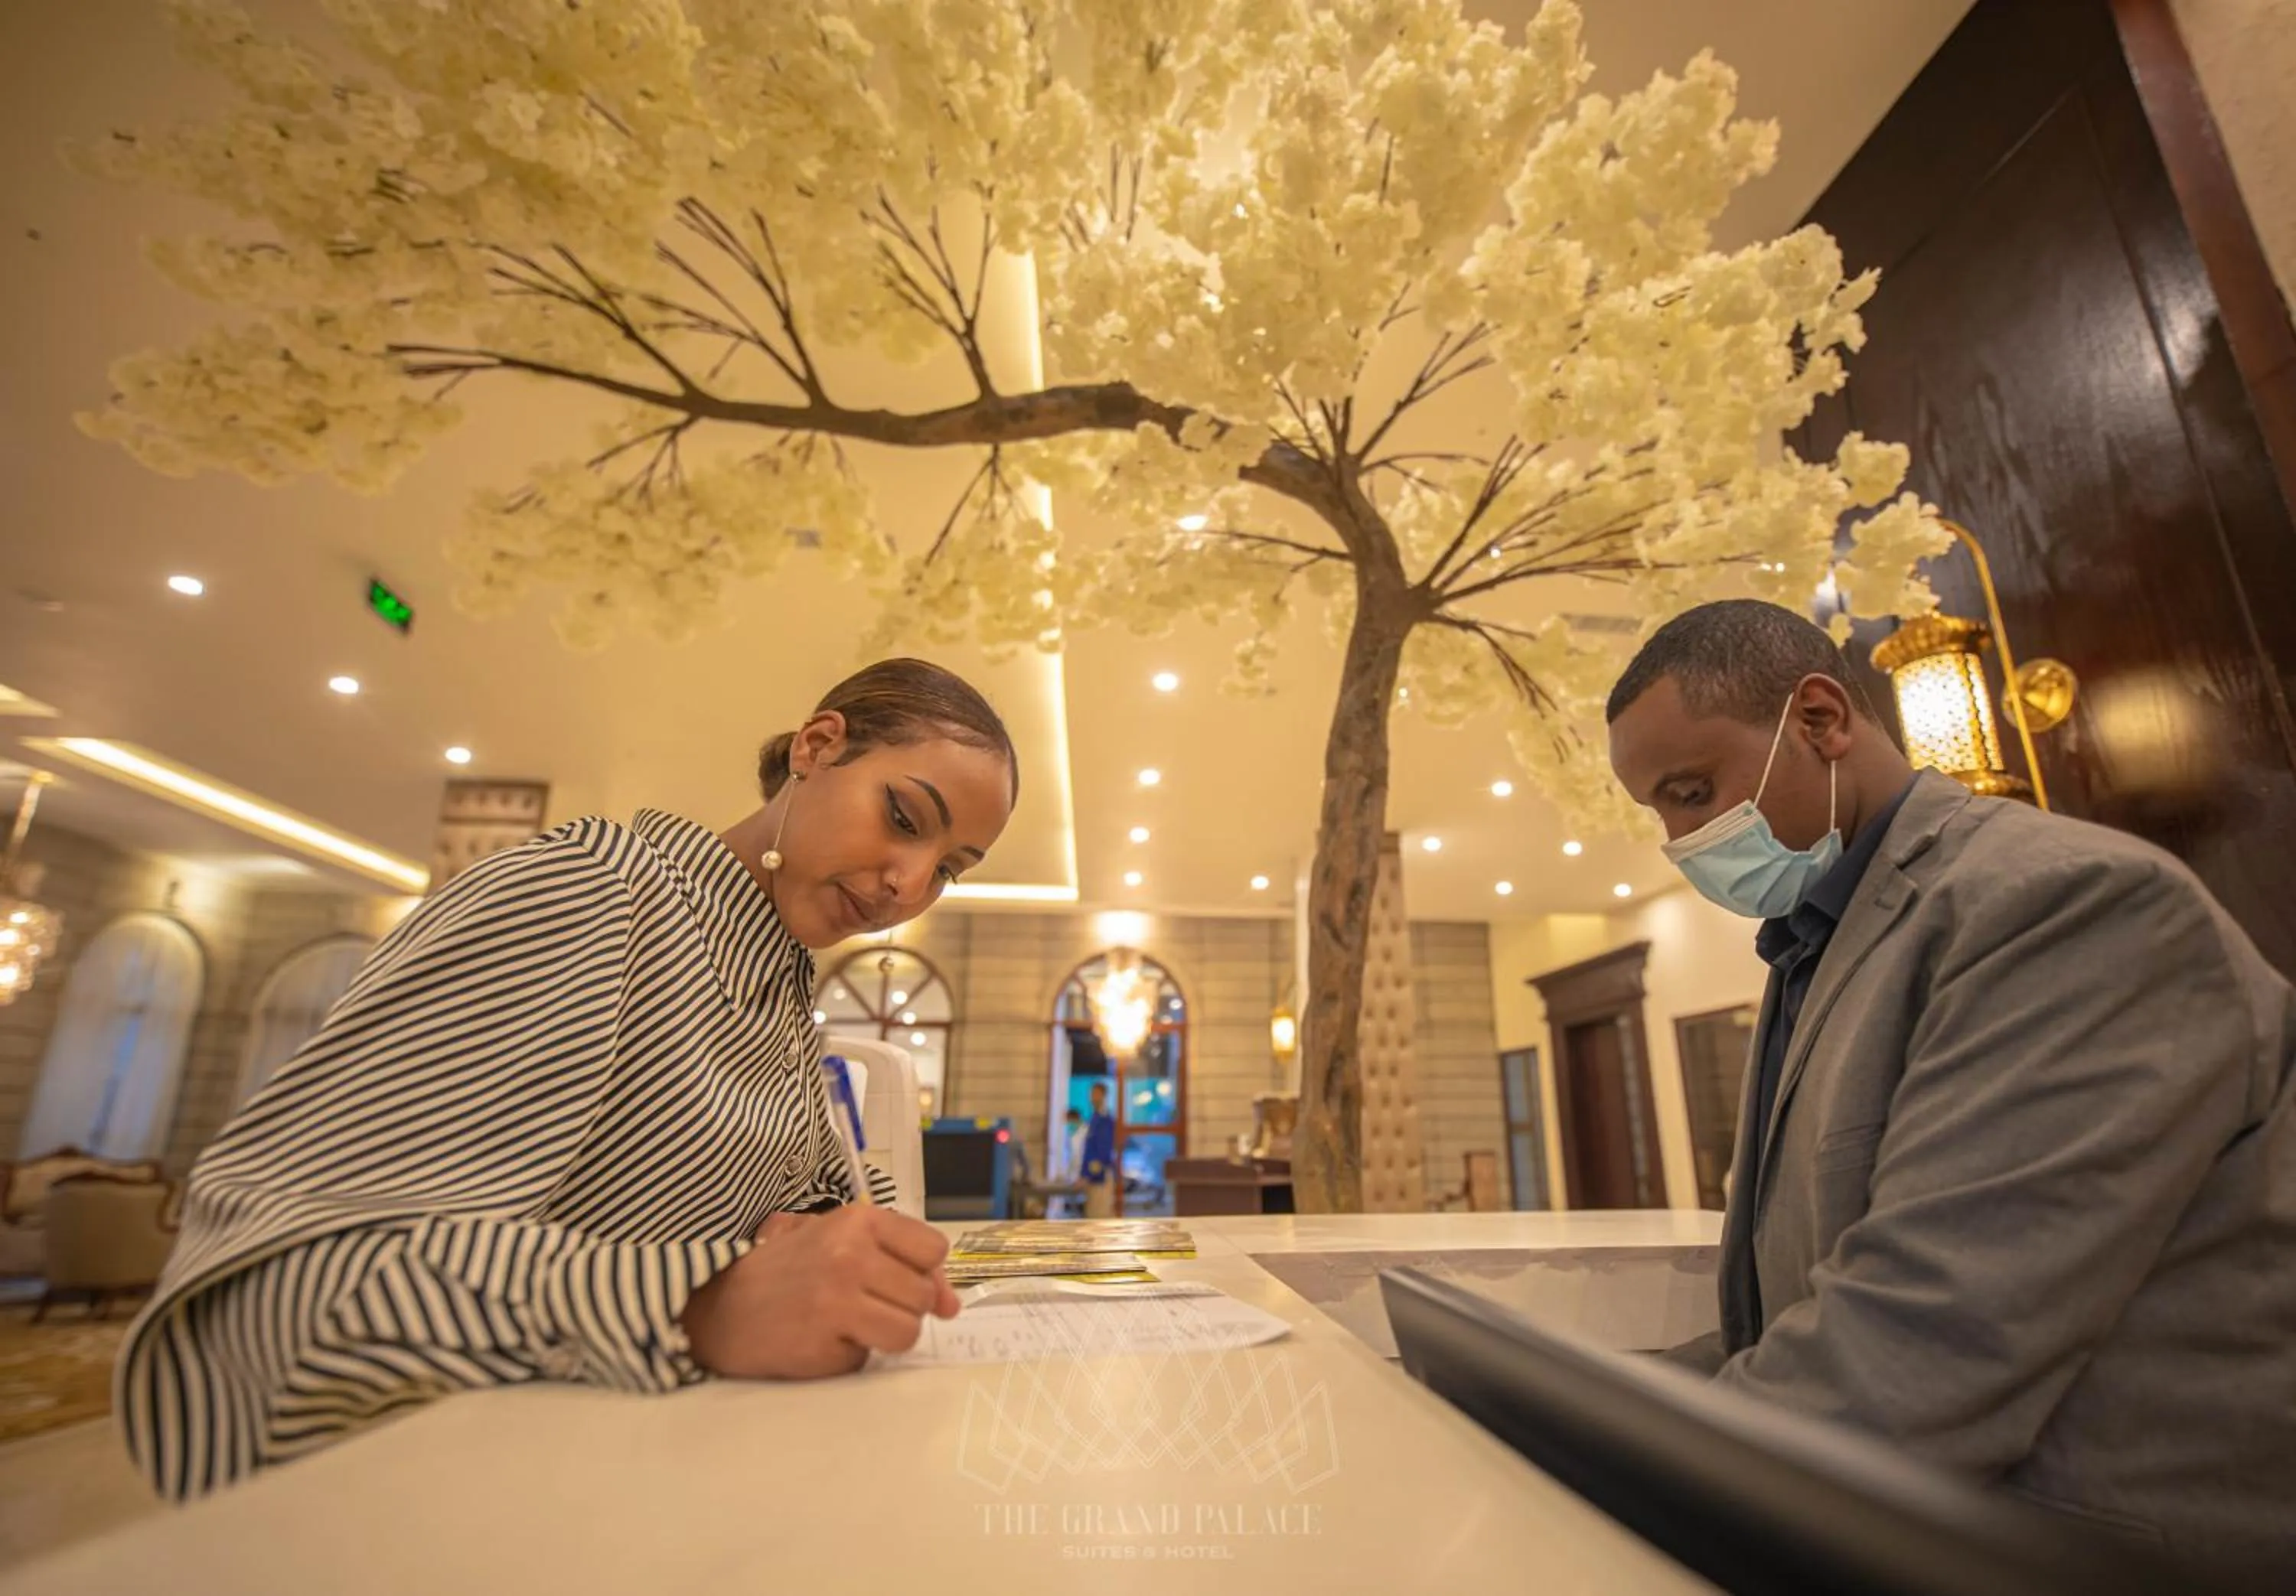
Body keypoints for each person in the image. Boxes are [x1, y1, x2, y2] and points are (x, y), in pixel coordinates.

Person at [119, 659, 1019, 1500]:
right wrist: (699, 1305)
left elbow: (813, 1222)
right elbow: (257, 1301)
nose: (908, 885)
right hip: (442, 1513)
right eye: (904, 817)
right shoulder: (594, 896)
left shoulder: (777, 985)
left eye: (947, 868)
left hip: (662, 1495)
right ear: (814, 747)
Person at [1605, 599, 2295, 1582]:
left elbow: (1926, 1338)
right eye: (1661, 811)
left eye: (1691, 788)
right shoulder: (1816, 948)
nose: (1681, 837)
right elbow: (1789, 1319)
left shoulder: (2061, 903)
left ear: (1820, 720)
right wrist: (1561, 1398)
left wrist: (1608, 1466)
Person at [1080, 1081, 1118, 1219]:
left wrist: (1090, 1173)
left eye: (1096, 1094)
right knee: (1092, 1214)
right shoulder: (1094, 1119)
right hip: (1093, 1177)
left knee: (1100, 1216)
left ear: (1103, 1096)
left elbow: (1103, 1151)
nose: (1092, 1098)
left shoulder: (1105, 1120)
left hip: (1100, 1176)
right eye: (1091, 1094)